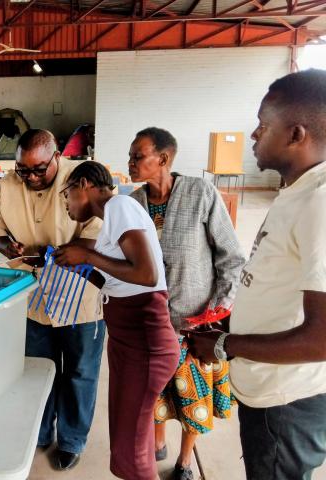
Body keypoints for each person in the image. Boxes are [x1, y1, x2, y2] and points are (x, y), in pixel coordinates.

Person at [186, 69, 326, 480]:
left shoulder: (320, 204)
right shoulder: (298, 193)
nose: (253, 135)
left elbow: (323, 338)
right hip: (268, 392)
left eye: (263, 126)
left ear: (296, 134)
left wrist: (225, 344)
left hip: (288, 404)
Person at [128, 127, 245, 480]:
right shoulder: (134, 202)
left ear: (162, 159)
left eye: (138, 156)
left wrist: (217, 312)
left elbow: (231, 257)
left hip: (195, 325)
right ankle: (158, 443)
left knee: (193, 399)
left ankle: (183, 462)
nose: (130, 163)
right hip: (152, 323)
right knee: (156, 395)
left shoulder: (199, 193)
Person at [53, 161, 179, 480]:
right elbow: (118, 280)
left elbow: (147, 274)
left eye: (67, 194)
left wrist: (88, 256)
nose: (66, 204)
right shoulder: (111, 223)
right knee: (127, 438)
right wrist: (81, 267)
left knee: (132, 443)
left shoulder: (120, 204)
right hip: (127, 340)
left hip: (145, 343)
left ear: (84, 185)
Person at [0, 129, 105, 471]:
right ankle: (38, 431)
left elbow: (97, 241)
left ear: (57, 157)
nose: (32, 177)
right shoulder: (8, 186)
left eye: (40, 169)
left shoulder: (83, 181)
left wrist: (46, 253)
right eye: (24, 170)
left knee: (80, 372)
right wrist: (9, 248)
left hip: (80, 298)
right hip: (33, 298)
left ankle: (72, 439)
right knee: (38, 370)